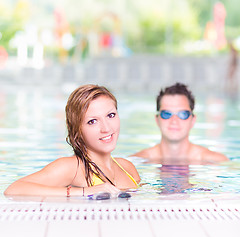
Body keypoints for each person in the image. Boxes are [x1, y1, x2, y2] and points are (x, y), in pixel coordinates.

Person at [5, 84, 140, 197]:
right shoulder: (73, 167)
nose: (106, 128)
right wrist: (84, 191)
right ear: (77, 129)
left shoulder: (127, 167)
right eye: (92, 121)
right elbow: (14, 189)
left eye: (111, 115)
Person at [131, 83, 229, 163]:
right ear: (157, 119)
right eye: (166, 114)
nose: (174, 121)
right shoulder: (137, 161)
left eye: (183, 114)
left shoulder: (217, 161)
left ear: (193, 120)